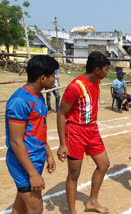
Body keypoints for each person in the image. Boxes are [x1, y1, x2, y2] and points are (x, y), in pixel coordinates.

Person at [57, 51, 111, 214]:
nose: (107, 72)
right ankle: (72, 211)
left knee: (104, 164)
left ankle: (92, 201)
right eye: (106, 69)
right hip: (75, 133)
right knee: (74, 174)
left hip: (92, 130)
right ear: (97, 69)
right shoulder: (75, 87)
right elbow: (61, 114)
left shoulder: (96, 81)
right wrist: (62, 144)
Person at [5, 55, 57, 214]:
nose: (54, 80)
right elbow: (15, 142)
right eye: (53, 75)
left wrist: (48, 153)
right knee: (35, 208)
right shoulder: (20, 101)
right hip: (23, 163)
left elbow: (38, 130)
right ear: (43, 77)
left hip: (36, 158)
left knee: (20, 208)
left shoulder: (38, 96)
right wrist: (33, 173)